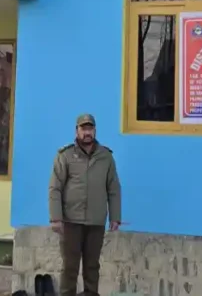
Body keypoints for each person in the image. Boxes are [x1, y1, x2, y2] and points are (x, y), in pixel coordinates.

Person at [48, 114, 122, 296]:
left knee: (92, 267)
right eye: (83, 129)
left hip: (96, 222)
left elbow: (113, 188)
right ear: (77, 131)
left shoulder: (106, 157)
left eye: (90, 128)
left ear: (95, 131)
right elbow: (55, 188)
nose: (87, 132)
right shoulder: (65, 156)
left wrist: (115, 217)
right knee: (70, 267)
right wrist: (56, 218)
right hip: (71, 221)